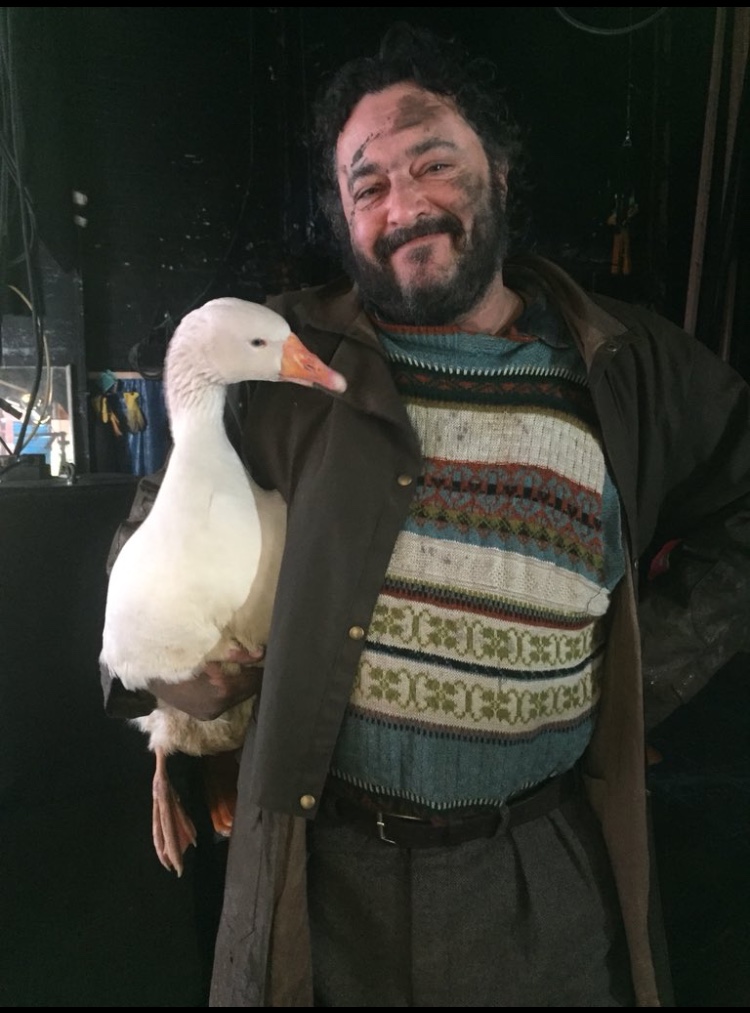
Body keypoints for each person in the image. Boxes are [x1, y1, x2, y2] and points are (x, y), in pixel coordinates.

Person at [104, 25, 750, 1008]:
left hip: (539, 872)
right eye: (368, 187)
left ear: (498, 164)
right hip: (320, 887)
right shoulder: (287, 360)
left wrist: (633, 673)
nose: (402, 206)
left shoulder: (626, 364)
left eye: (432, 161)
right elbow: (151, 522)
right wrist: (180, 674)